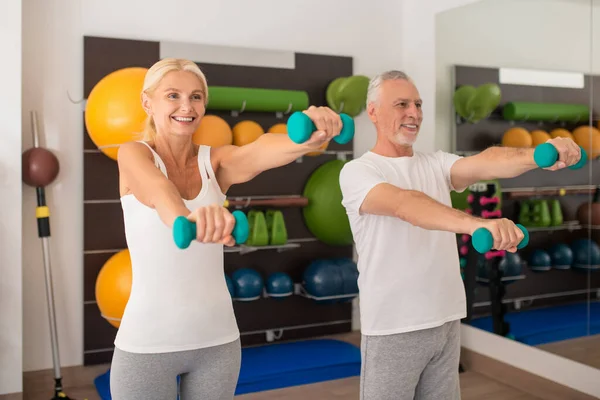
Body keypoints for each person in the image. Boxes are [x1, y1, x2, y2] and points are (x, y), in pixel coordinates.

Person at [338, 70, 582, 400]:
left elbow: (486, 161)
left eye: (418, 104)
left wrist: (539, 154)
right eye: (401, 104)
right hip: (395, 327)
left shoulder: (436, 163)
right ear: (373, 112)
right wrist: (478, 224)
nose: (414, 113)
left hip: (446, 320)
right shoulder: (358, 172)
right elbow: (405, 204)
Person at [109, 57, 343, 400]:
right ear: (148, 102)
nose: (186, 106)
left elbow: (258, 151)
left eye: (196, 97)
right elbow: (159, 193)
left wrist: (308, 137)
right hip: (147, 344)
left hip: (217, 343)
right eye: (172, 95)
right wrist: (186, 219)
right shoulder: (133, 154)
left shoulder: (214, 162)